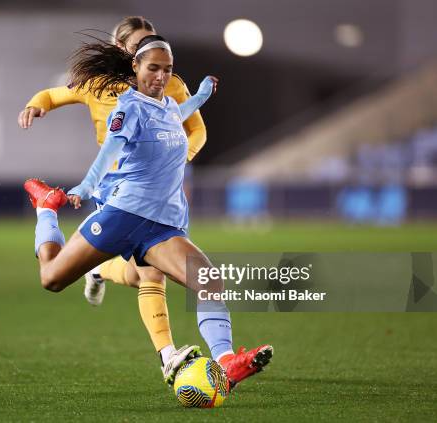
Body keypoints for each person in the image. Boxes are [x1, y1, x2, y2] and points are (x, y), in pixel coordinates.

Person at [23, 34, 272, 388]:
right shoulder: (129, 109)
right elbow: (111, 148)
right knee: (52, 279)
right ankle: (46, 209)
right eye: (153, 67)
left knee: (210, 282)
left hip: (162, 226)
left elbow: (179, 115)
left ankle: (228, 363)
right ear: (135, 67)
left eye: (167, 69)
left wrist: (201, 94)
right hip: (123, 215)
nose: (160, 76)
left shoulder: (168, 106)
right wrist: (88, 186)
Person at [18, 16, 206, 375]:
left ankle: (167, 355)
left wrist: (177, 160)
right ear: (124, 51)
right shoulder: (98, 85)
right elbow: (52, 95)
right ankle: (49, 213)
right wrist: (36, 103)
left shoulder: (170, 84)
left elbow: (197, 130)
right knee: (69, 278)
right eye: (139, 46)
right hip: (115, 191)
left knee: (146, 274)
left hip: (152, 193)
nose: (149, 53)